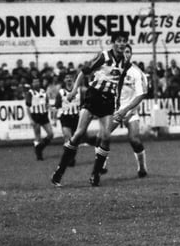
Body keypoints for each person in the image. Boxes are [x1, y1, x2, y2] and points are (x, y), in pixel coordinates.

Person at [52, 31, 130, 187]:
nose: (122, 44)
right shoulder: (103, 56)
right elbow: (84, 72)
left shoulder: (125, 61)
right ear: (113, 42)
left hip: (108, 100)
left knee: (106, 136)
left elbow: (119, 81)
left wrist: (118, 99)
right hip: (93, 96)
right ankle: (60, 171)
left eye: (124, 41)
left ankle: (95, 174)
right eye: (119, 41)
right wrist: (74, 90)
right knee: (79, 133)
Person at [101, 44, 149, 180]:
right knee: (103, 135)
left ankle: (142, 167)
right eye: (123, 52)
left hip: (130, 111)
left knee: (134, 139)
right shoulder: (112, 69)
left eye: (128, 52)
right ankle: (101, 164)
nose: (126, 54)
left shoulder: (137, 72)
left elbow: (142, 94)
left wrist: (127, 109)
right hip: (115, 110)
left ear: (131, 54)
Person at [25, 77, 55, 161]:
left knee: (51, 134)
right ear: (32, 83)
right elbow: (27, 107)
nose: (36, 83)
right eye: (34, 82)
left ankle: (40, 147)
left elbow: (47, 103)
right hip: (35, 116)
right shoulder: (30, 93)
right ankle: (39, 154)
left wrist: (51, 109)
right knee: (37, 135)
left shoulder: (43, 91)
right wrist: (31, 119)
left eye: (37, 81)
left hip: (44, 115)